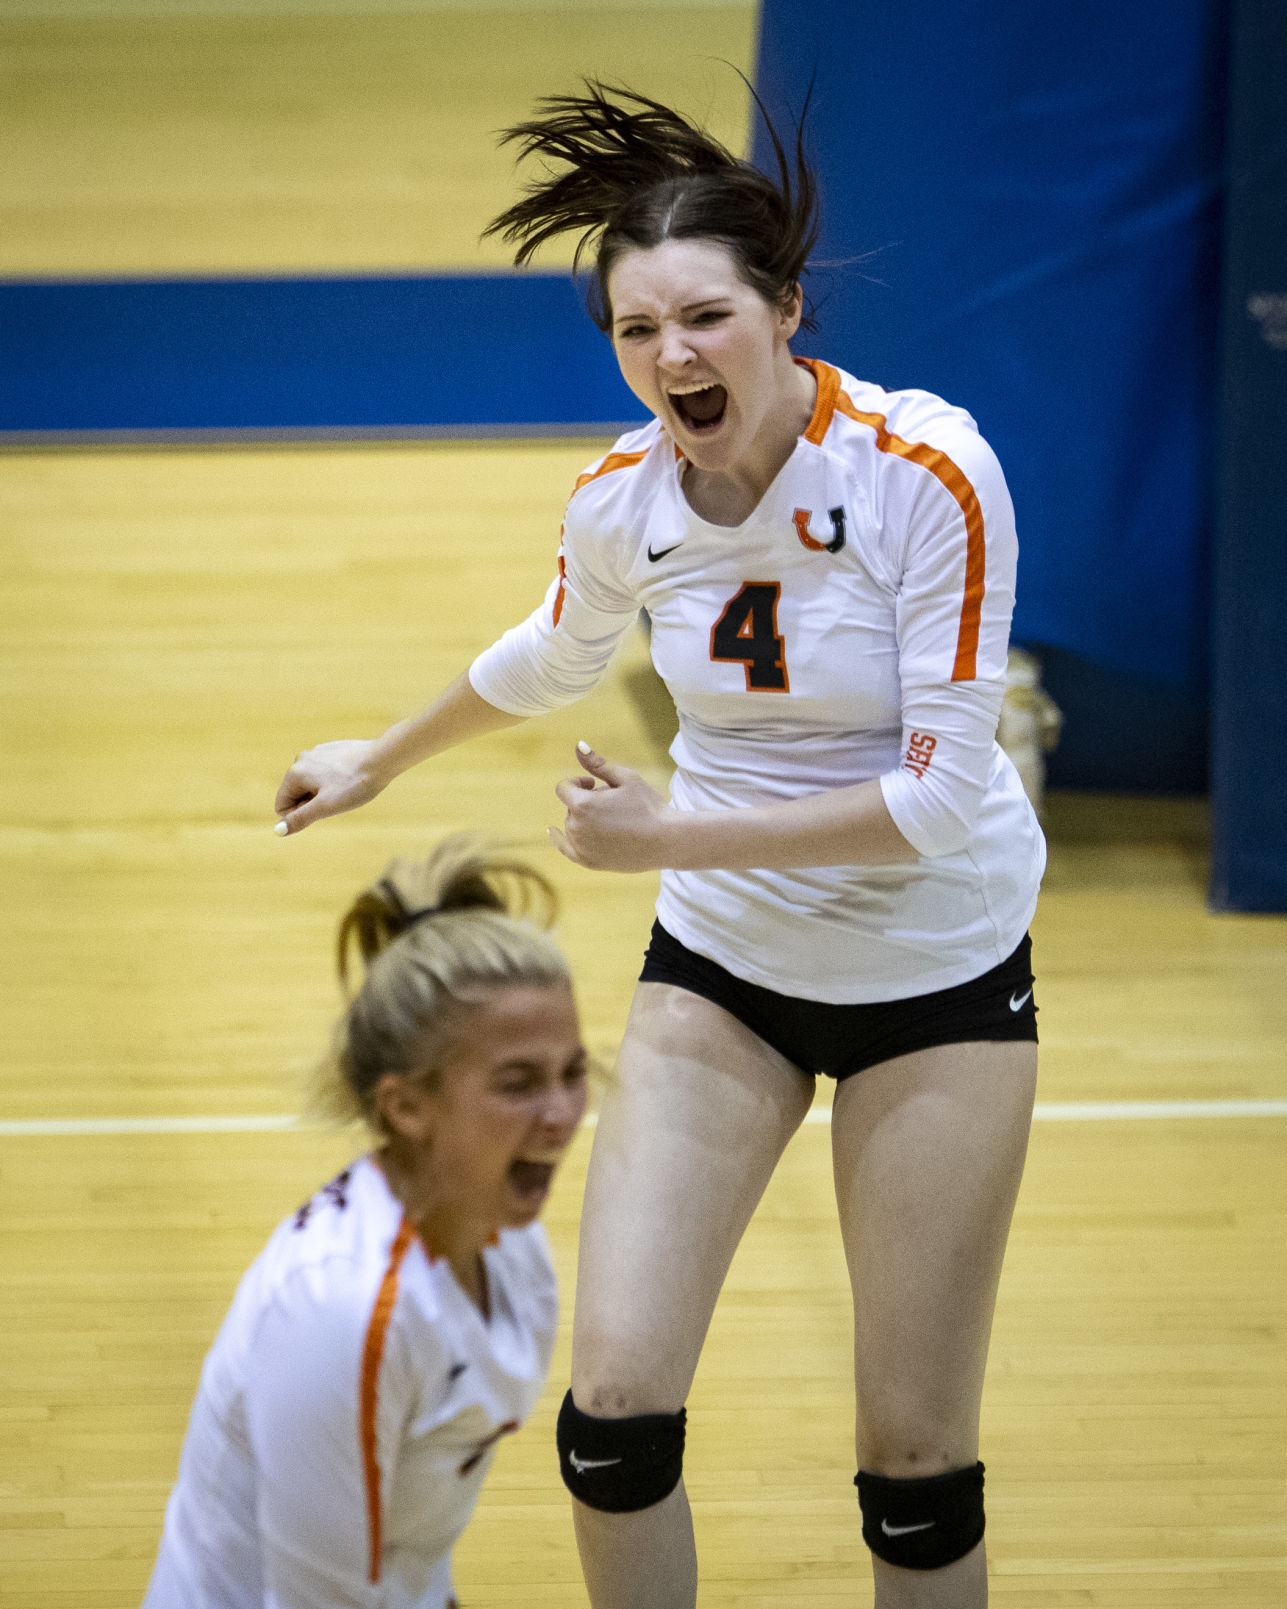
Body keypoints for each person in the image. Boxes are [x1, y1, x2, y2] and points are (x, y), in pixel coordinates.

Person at [273, 84, 1045, 1609]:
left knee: (912, 1462)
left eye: (703, 317)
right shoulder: (625, 498)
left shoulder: (924, 472)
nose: (672, 357)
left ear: (784, 309)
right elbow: (553, 653)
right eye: (637, 332)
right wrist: (378, 753)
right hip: (725, 967)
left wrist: (667, 832)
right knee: (610, 1419)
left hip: (934, 979)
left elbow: (938, 799)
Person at [142, 838, 589, 1609]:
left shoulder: (509, 1239)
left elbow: (405, 1557)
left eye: (573, 1072)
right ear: (405, 1105)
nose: (561, 1115)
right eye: (517, 1083)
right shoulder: (346, 1311)